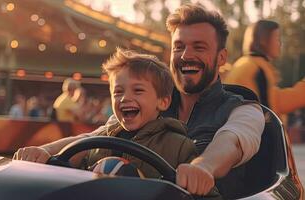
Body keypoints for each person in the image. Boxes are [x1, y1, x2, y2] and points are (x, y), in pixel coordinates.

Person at [14, 4, 265, 198]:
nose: (186, 55)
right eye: (179, 47)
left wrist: (203, 167)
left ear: (222, 57)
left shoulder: (244, 109)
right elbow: (94, 137)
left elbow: (231, 141)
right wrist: (45, 152)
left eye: (199, 47)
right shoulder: (146, 101)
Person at [67, 48, 197, 178]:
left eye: (138, 90)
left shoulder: (179, 146)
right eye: (118, 92)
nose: (125, 98)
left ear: (163, 102)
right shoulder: (97, 143)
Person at [224, 20, 305, 123]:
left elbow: (275, 99)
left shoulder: (245, 63)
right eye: (276, 38)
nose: (280, 43)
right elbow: (269, 112)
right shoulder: (257, 68)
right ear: (263, 40)